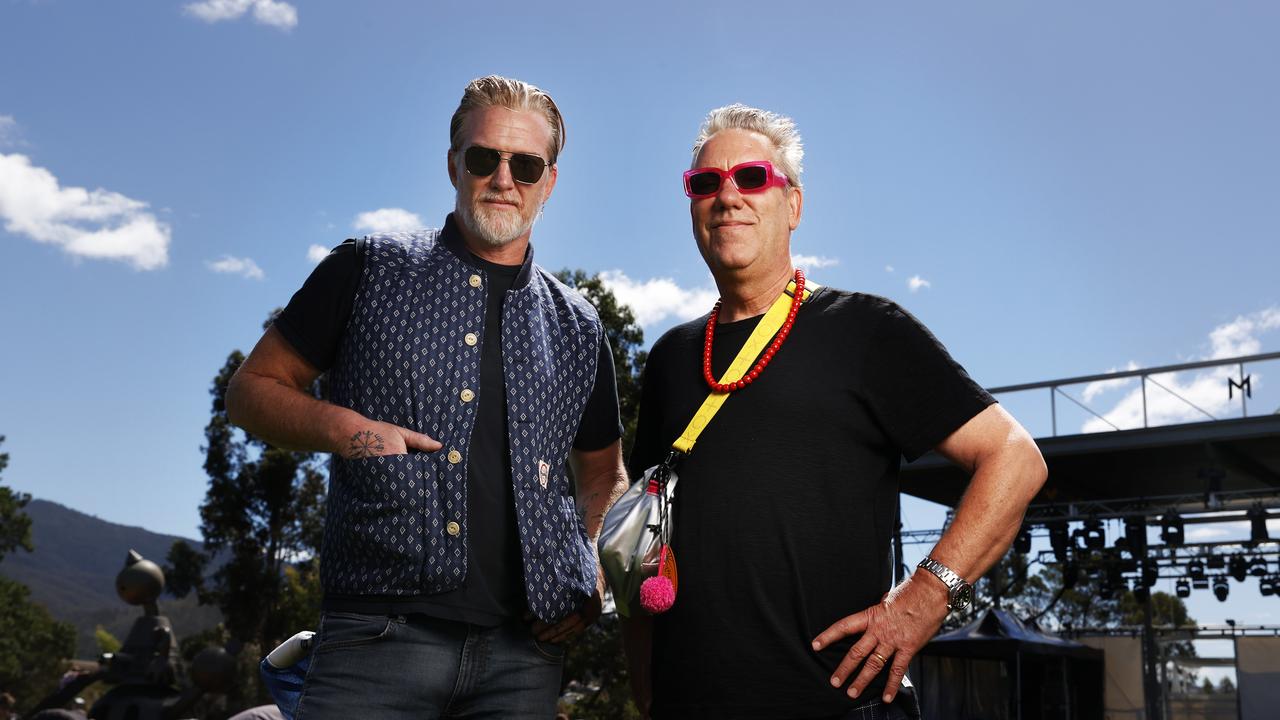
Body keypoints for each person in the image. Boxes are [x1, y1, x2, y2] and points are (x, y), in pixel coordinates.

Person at [623, 104, 1048, 720]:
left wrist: (925, 599)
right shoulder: (670, 358)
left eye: (751, 178)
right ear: (691, 206)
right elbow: (643, 549)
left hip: (837, 705)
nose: (728, 197)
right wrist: (647, 690)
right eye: (706, 183)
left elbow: (1014, 459)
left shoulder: (867, 330)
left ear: (793, 204)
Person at [225, 75, 630, 720]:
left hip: (525, 660)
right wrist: (351, 430)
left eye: (525, 164)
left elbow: (605, 476)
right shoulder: (367, 268)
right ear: (453, 164)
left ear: (549, 181)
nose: (503, 178)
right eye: (483, 157)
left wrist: (591, 575)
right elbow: (250, 392)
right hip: (376, 641)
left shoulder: (579, 326)